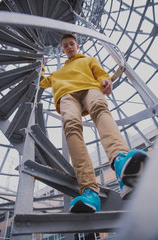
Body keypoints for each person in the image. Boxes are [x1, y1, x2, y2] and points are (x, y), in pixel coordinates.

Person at [40, 32, 148, 213]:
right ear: (63, 49)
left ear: (77, 46)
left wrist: (105, 80)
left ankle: (121, 162)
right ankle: (89, 192)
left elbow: (100, 74)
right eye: (65, 45)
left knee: (100, 109)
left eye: (71, 44)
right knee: (71, 127)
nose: (68, 47)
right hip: (66, 95)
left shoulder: (88, 59)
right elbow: (42, 82)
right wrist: (42, 66)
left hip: (90, 87)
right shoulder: (57, 73)